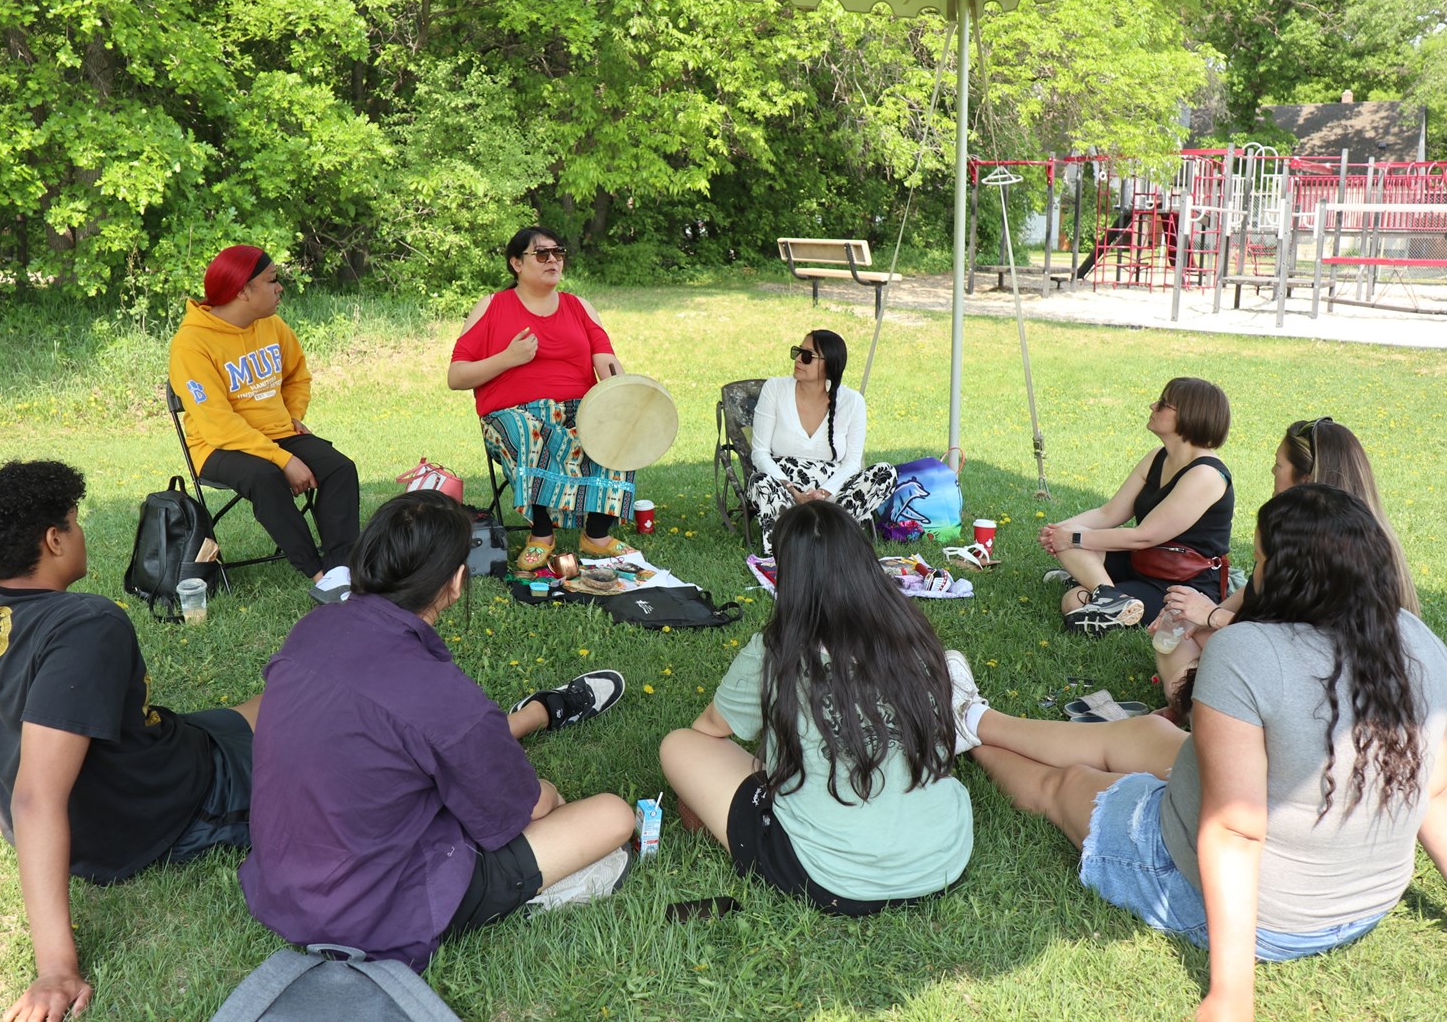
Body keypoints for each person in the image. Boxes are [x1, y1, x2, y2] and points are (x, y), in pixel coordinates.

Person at [955, 484, 1447, 1022]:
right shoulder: (1416, 639)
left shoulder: (1249, 651)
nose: (1253, 574)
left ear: (1286, 571)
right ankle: (979, 717)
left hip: (1263, 915)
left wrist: (1230, 996)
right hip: (1365, 904)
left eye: (1259, 560)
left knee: (1070, 784)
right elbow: (1434, 794)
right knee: (1144, 735)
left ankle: (963, 735)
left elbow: (1235, 831)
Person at [0, 461, 258, 1022]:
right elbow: (35, 798)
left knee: (269, 707)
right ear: (54, 539)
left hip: (158, 750)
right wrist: (55, 969)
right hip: (163, 809)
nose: (81, 532)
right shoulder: (87, 623)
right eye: (75, 521)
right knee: (318, 740)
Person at [240, 490, 635, 970]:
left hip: (281, 883)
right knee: (612, 817)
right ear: (455, 581)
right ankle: (530, 894)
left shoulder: (311, 629)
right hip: (374, 911)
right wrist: (546, 793)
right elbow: (521, 809)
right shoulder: (444, 699)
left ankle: (538, 714)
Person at [659, 500, 973, 915]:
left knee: (679, 745)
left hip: (829, 876)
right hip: (943, 856)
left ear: (788, 577)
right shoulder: (915, 636)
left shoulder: (776, 651)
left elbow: (709, 730)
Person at [1153, 416, 1420, 709]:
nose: (1272, 471)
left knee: (1185, 663)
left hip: (1315, 690)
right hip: (1290, 669)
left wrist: (1213, 617)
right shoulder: (1328, 536)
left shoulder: (1324, 553)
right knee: (1183, 634)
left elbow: (1304, 649)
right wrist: (1198, 613)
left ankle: (1195, 707)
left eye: (1278, 465)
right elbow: (1249, 604)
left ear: (1304, 480)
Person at [169, 244, 361, 602]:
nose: (279, 287)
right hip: (217, 447)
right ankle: (319, 575)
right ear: (243, 290)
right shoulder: (191, 344)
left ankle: (341, 568)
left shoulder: (271, 325)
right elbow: (217, 424)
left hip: (277, 433)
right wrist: (283, 459)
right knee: (266, 477)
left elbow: (297, 374)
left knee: (339, 468)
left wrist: (293, 414)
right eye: (272, 280)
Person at [447, 226, 635, 571]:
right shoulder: (492, 305)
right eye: (542, 254)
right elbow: (456, 376)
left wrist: (623, 398)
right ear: (516, 263)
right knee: (525, 431)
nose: (553, 260)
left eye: (558, 253)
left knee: (618, 424)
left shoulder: (579, 307)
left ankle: (596, 535)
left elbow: (606, 363)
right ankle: (542, 534)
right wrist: (508, 358)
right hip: (512, 412)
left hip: (576, 408)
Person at [1039, 377, 1233, 634]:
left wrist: (1072, 539)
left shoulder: (1206, 475)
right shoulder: (1157, 457)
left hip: (1179, 583)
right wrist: (1058, 531)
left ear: (1189, 416)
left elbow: (1143, 537)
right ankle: (1108, 594)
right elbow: (1109, 513)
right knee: (1071, 534)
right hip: (1142, 562)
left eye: (1163, 404)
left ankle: (1101, 590)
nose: (1153, 405)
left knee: (1074, 600)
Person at [746, 330, 897, 553]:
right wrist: (792, 490)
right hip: (784, 487)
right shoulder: (775, 389)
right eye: (797, 352)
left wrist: (823, 494)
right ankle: (788, 547)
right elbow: (759, 452)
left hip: (831, 491)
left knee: (886, 473)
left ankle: (834, 534)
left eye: (807, 356)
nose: (798, 359)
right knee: (760, 482)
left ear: (829, 365)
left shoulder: (852, 402)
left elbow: (852, 463)